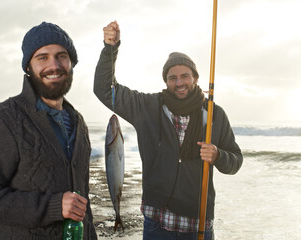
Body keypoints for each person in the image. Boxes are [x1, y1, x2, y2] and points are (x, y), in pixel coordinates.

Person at [94, 21, 243, 240]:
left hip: (198, 224)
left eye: (185, 76)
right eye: (172, 77)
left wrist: (219, 156)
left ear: (195, 78)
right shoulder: (148, 107)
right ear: (166, 81)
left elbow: (236, 161)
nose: (179, 82)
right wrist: (110, 49)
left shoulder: (214, 114)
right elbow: (105, 90)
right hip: (157, 223)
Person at [0, 21, 97, 239]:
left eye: (61, 56)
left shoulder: (78, 122)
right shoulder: (3, 119)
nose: (54, 65)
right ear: (28, 66)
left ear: (71, 63)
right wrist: (53, 206)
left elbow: (83, 204)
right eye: (42, 57)